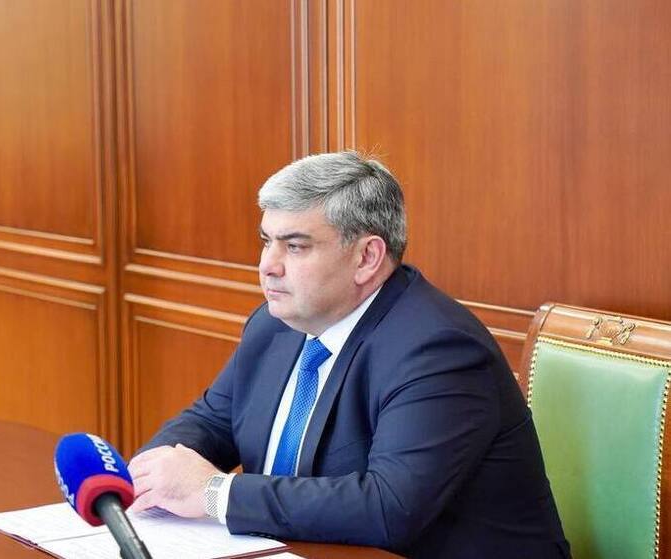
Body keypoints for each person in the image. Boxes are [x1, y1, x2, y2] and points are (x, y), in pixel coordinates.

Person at [128, 152, 570, 558]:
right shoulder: (274, 325)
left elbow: (388, 508)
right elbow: (210, 422)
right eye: (267, 241)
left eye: (295, 246)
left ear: (366, 258)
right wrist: (150, 475)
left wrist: (214, 493)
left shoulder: (438, 350)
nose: (267, 266)